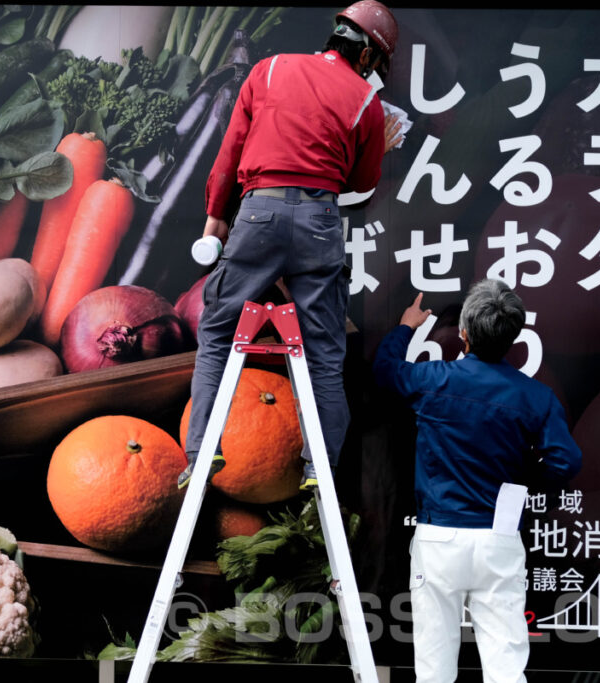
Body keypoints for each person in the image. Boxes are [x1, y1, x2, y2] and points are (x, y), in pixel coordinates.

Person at [180, 0, 402, 491]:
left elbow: (229, 151)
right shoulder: (368, 102)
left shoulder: (270, 68)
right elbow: (360, 186)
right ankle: (316, 471)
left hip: (258, 212)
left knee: (218, 333)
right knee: (325, 352)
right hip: (321, 220)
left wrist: (216, 218)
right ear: (367, 57)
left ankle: (201, 457)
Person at [372, 279, 582, 683]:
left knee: (434, 668)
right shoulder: (536, 397)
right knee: (505, 667)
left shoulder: (435, 379)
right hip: (498, 539)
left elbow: (385, 370)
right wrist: (526, 482)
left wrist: (406, 327)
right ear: (514, 338)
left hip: (439, 539)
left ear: (464, 334)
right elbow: (567, 462)